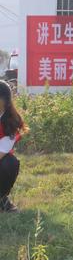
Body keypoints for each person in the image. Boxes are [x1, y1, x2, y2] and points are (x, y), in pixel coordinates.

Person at [0, 80, 28, 212]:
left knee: (10, 163)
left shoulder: (12, 122)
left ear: (5, 100)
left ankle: (2, 198)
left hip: (2, 160)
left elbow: (1, 153)